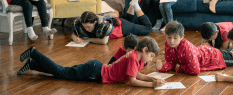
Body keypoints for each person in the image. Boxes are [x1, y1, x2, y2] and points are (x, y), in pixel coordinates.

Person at [17, 37, 166, 88]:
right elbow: (133, 81)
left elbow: (136, 74)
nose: (151, 60)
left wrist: (151, 78)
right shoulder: (133, 57)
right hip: (94, 72)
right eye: (151, 56)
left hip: (96, 68)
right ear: (145, 50)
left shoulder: (137, 58)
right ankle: (34, 53)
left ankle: (33, 64)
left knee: (61, 73)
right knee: (60, 72)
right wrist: (152, 85)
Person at [155, 21, 233, 75]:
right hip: (205, 51)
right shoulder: (168, 44)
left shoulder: (187, 48)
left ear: (182, 37)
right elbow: (171, 63)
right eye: (169, 37)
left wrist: (181, 68)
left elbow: (195, 70)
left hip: (214, 57)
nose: (171, 41)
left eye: (175, 38)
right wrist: (162, 67)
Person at [72, 1, 152, 44]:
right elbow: (74, 33)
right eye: (84, 26)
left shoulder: (102, 24)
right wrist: (75, 38)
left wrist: (88, 40)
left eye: (88, 27)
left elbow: (104, 41)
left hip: (123, 27)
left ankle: (136, 5)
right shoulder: (84, 22)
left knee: (147, 28)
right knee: (130, 21)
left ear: (95, 22)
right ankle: (131, 6)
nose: (86, 29)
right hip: (117, 21)